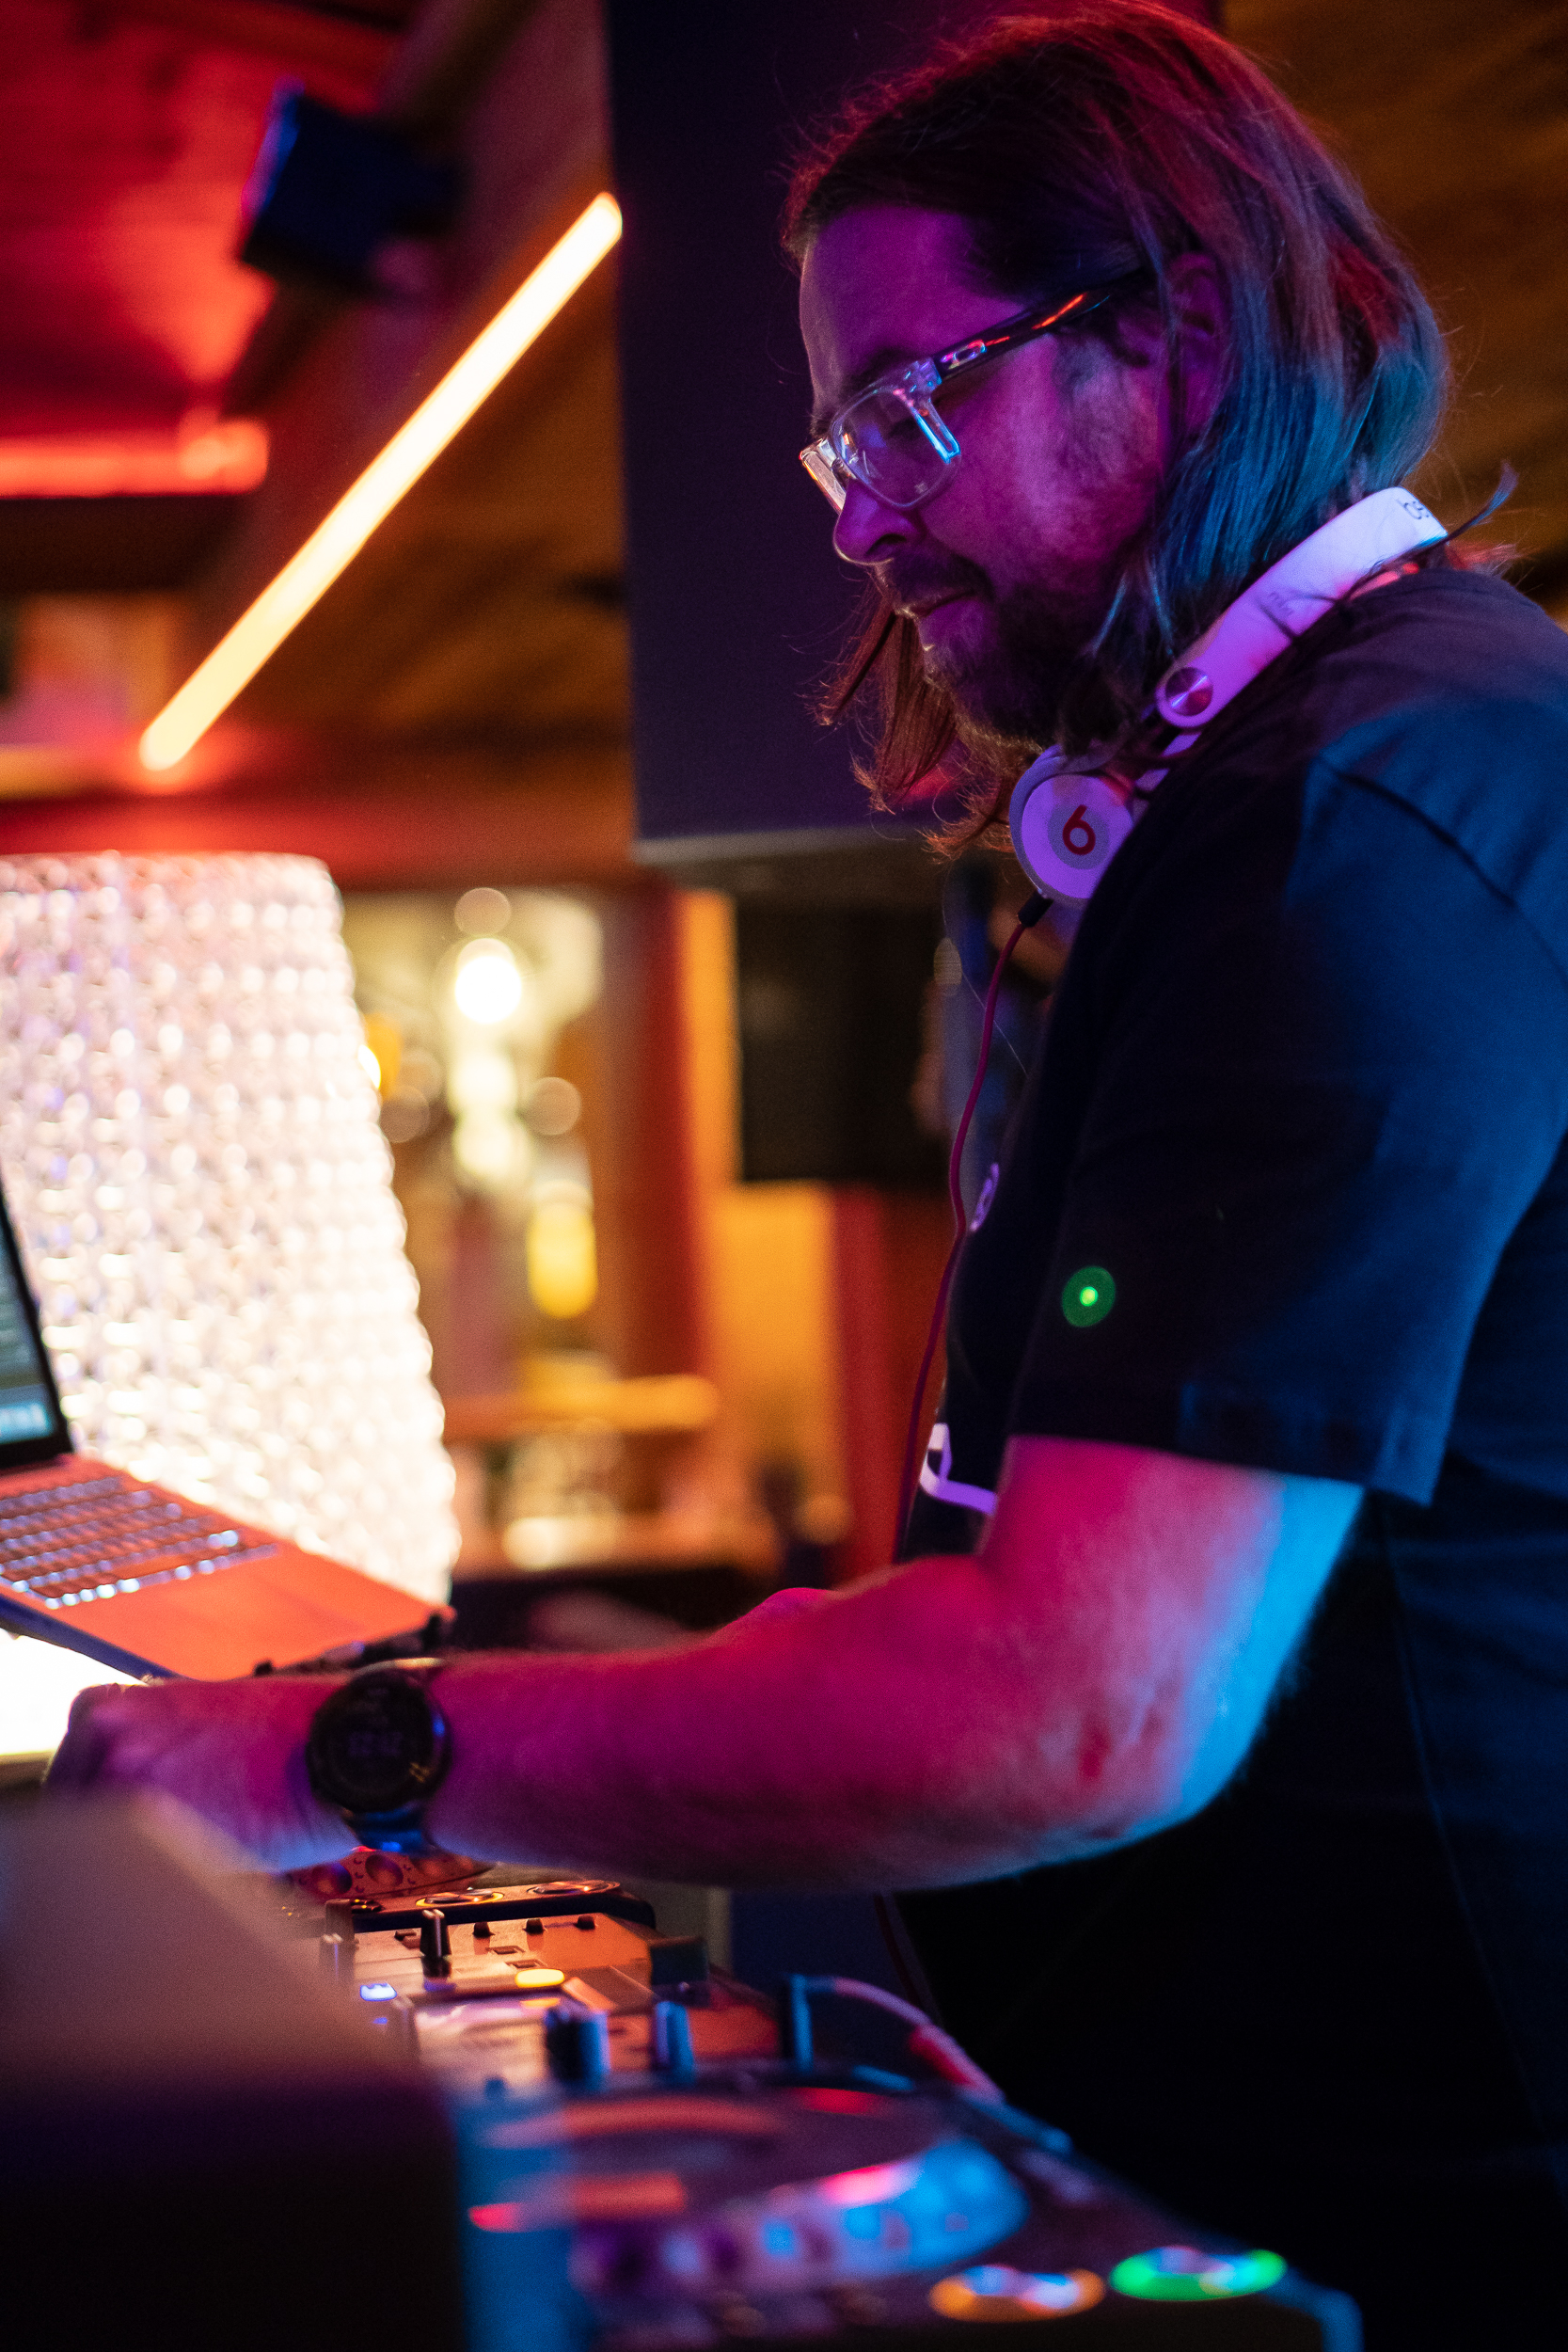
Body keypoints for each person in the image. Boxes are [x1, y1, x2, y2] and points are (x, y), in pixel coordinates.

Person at [50, 10, 1568, 2343]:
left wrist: (342, 1749)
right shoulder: (1358, 767)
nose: (859, 517)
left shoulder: (1347, 820)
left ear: (1168, 340)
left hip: (1423, 2223)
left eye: (905, 415)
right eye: (839, 442)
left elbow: (1076, 1700)